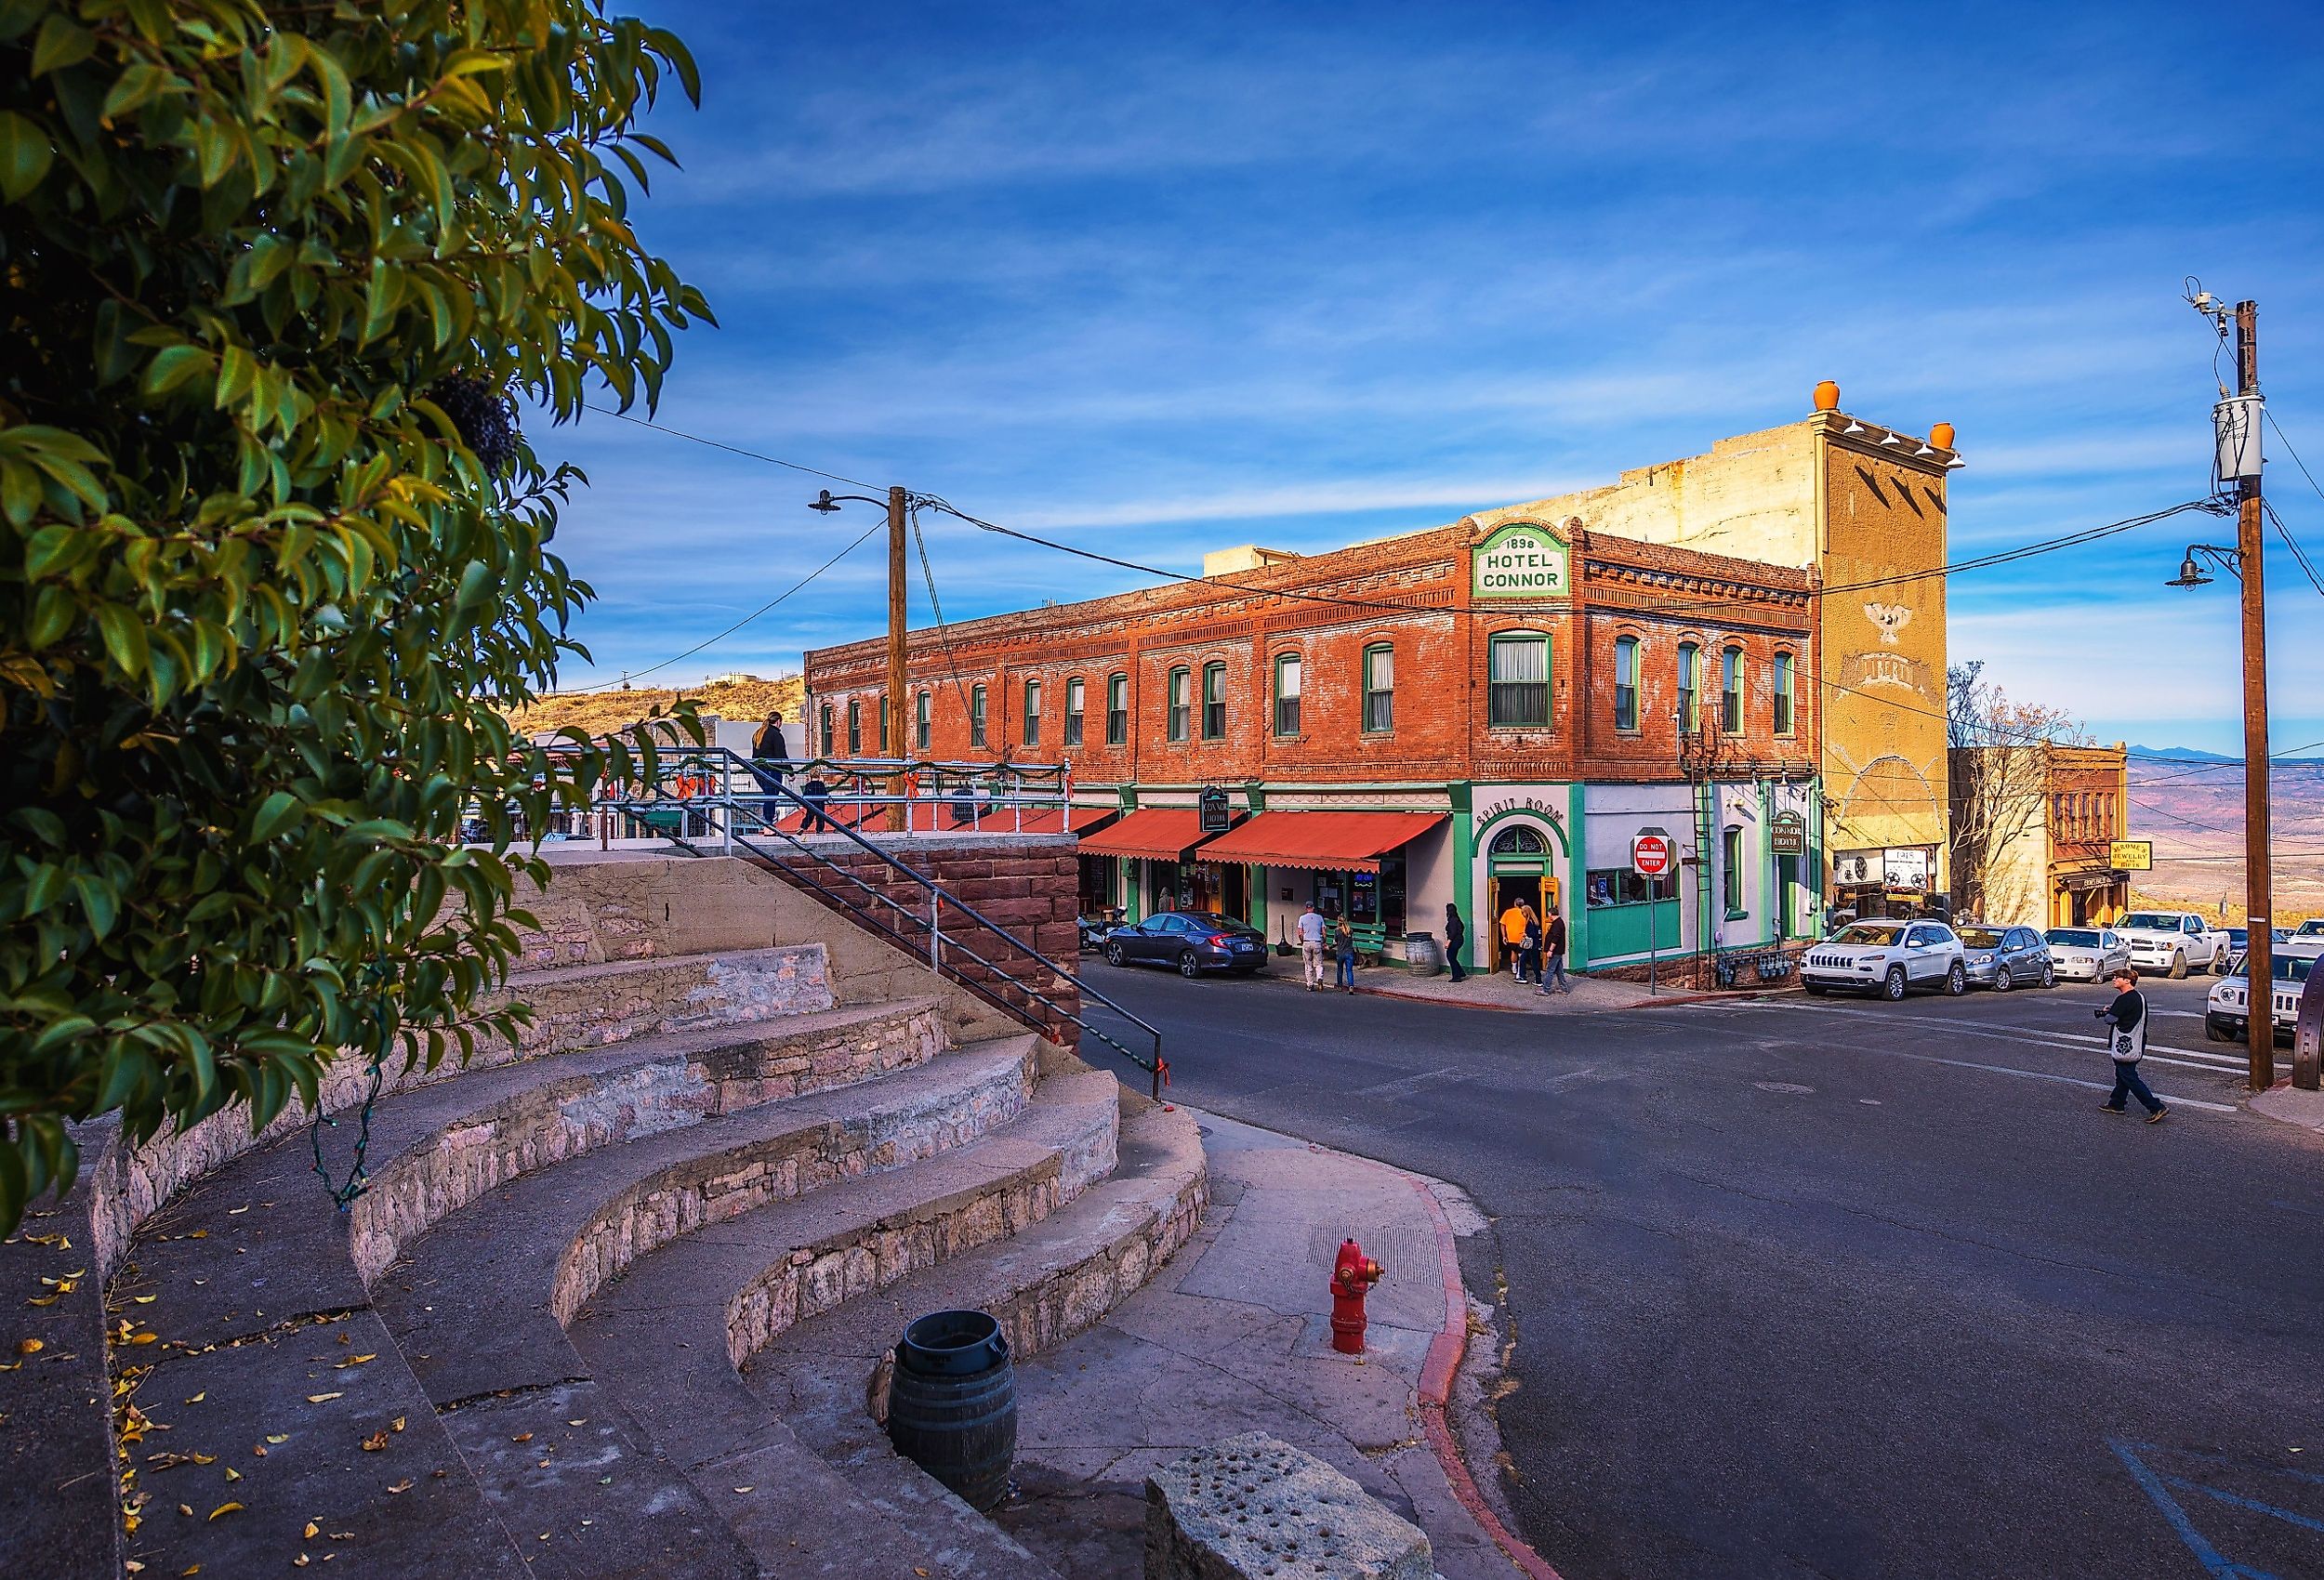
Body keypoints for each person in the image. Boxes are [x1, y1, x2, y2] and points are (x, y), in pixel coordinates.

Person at [2095, 966, 2167, 1122]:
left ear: (2127, 980)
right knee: (2123, 1074)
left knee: (2129, 1076)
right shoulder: (2139, 997)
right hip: (2138, 1040)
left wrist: (2109, 1012)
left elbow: (2110, 1020)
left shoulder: (2124, 999)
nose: (2114, 980)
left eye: (2117, 977)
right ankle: (2117, 1103)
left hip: (2125, 1043)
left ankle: (2155, 1107)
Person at [749, 709, 790, 823]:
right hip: (772, 769)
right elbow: (782, 755)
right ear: (778, 722)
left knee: (769, 795)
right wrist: (790, 772)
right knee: (772, 795)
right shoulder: (776, 735)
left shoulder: (758, 734)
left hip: (757, 770)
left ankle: (768, 820)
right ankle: (768, 820)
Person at [1538, 906, 1572, 995]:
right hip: (1559, 951)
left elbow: (1555, 938)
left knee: (1550, 970)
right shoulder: (1559, 922)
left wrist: (1550, 950)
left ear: (1551, 914)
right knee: (1559, 970)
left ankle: (1545, 989)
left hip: (1555, 951)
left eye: (1549, 914)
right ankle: (1564, 988)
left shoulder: (1557, 924)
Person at [1297, 901, 1328, 992]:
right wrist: (1324, 942)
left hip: (1307, 942)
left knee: (1308, 964)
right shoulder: (1319, 918)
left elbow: (1300, 933)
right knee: (1319, 964)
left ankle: (1310, 984)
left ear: (1306, 908)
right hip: (1317, 942)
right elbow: (1324, 933)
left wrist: (1302, 941)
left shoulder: (1302, 918)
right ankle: (1319, 978)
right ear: (1313, 908)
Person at [1499, 898, 1529, 980]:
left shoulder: (1508, 912)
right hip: (1522, 936)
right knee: (1521, 954)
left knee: (1513, 952)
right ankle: (1520, 970)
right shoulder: (1525, 912)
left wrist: (1504, 936)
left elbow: (1502, 924)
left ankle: (1514, 967)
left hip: (1511, 936)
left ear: (1515, 904)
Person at [1518, 900, 1543, 986]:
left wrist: (1526, 934)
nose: (1522, 914)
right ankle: (1537, 980)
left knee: (1525, 960)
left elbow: (1532, 934)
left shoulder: (1530, 922)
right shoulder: (1535, 920)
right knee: (1532, 961)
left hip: (1531, 945)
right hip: (1535, 945)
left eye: (1523, 913)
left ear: (1526, 912)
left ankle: (1523, 977)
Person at [1333, 912, 1358, 994]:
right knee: (1349, 970)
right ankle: (1351, 986)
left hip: (1340, 953)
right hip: (1349, 953)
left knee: (1340, 969)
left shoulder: (1337, 931)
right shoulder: (1350, 930)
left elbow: (1335, 942)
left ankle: (1340, 986)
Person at [1444, 902, 1468, 982]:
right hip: (1459, 939)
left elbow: (1453, 932)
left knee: (1450, 956)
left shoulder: (1453, 919)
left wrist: (1448, 942)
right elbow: (1462, 928)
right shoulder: (1457, 918)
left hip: (1455, 940)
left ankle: (1456, 977)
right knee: (1452, 957)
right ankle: (1460, 972)